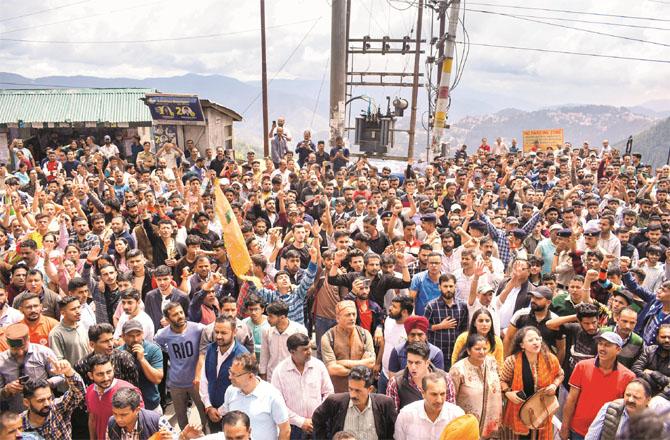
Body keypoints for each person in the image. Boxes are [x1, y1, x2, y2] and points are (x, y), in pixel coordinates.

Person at [560, 331, 636, 440]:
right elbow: (571, 400)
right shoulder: (582, 366)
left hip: (607, 433)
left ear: (618, 350)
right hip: (578, 431)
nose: (602, 348)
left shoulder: (628, 377)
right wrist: (565, 426)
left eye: (607, 345)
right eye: (600, 343)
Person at [500, 326, 564, 440]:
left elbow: (560, 374)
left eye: (537, 339)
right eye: (530, 340)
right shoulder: (512, 361)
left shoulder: (550, 359)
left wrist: (554, 385)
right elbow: (501, 380)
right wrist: (508, 393)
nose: (535, 342)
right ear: (522, 345)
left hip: (542, 411)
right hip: (519, 411)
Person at [154, 302, 207, 431]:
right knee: (182, 420)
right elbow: (157, 342)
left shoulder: (198, 329)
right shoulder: (163, 334)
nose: (180, 316)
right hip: (176, 382)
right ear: (167, 319)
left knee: (205, 415)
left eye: (181, 312)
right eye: (175, 315)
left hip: (197, 381)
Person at [271, 333, 334, 439]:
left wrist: (318, 416)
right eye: (305, 349)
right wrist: (301, 422)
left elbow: (329, 393)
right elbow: (277, 404)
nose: (309, 352)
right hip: (293, 428)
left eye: (309, 347)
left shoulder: (319, 366)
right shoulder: (279, 372)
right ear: (292, 352)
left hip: (318, 425)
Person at [312, 365, 397, 440]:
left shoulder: (385, 404)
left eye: (357, 390)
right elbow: (317, 419)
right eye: (350, 389)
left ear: (370, 389)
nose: (353, 395)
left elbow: (393, 432)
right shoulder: (334, 402)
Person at [222, 353, 291, 440]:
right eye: (230, 372)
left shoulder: (272, 395)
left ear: (250, 376)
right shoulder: (230, 391)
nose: (230, 377)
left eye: (235, 375)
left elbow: (285, 429)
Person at [200, 315, 249, 433]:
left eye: (223, 333)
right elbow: (204, 379)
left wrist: (220, 411)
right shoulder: (211, 349)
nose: (218, 336)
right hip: (211, 412)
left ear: (234, 332)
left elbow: (243, 389)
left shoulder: (242, 356)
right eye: (216, 332)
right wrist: (208, 407)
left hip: (234, 417)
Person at [449, 334, 502, 438]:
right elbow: (451, 398)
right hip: (467, 424)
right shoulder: (458, 370)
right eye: (477, 349)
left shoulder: (492, 362)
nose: (482, 352)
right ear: (469, 351)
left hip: (491, 424)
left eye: (485, 348)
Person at [0, 323, 61, 413]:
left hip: (46, 410)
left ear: (28, 339)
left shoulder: (44, 353)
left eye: (23, 347)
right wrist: (7, 390)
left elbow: (61, 377)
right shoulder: (1, 361)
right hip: (18, 415)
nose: (20, 352)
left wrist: (46, 383)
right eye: (15, 349)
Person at [19, 357, 85, 439]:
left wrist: (69, 372)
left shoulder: (58, 408)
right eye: (40, 400)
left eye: (49, 398)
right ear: (26, 402)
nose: (47, 403)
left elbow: (79, 393)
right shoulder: (17, 425)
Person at [321, 300, 376, 393]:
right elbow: (332, 369)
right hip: (338, 391)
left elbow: (371, 363)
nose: (352, 318)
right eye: (348, 315)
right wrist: (360, 367)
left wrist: (342, 362)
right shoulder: (328, 337)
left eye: (354, 314)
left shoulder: (365, 334)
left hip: (361, 390)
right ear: (338, 318)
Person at [85, 354, 143, 440]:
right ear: (90, 375)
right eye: (100, 374)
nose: (106, 378)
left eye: (109, 372)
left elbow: (140, 421)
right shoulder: (89, 391)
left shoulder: (130, 390)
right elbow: (92, 419)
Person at [393, 372, 466, 440]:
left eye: (442, 394)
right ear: (423, 393)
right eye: (434, 394)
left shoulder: (457, 416)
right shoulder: (406, 415)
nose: (439, 400)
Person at [386, 341, 455, 411]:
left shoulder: (445, 379)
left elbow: (451, 411)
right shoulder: (395, 382)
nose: (413, 367)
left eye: (417, 363)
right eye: (410, 362)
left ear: (427, 363)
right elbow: (392, 417)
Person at [424, 274, 469, 370]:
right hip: (436, 355)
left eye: (451, 286)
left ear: (455, 287)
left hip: (456, 354)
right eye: (445, 286)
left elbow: (464, 331)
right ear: (439, 287)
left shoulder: (463, 306)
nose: (448, 289)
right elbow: (423, 328)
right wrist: (440, 326)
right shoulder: (431, 306)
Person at [118, 319, 164, 412]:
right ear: (123, 336)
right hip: (128, 408)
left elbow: (157, 379)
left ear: (143, 334)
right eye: (131, 336)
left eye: (138, 335)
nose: (135, 339)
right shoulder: (118, 353)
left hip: (151, 405)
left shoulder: (153, 349)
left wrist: (142, 359)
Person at [584, 378, 652, 440]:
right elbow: (591, 436)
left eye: (636, 397)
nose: (630, 400)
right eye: (628, 395)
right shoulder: (610, 408)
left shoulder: (654, 422)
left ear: (648, 400)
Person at [260, 301, 308, 382]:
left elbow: (305, 355)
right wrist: (263, 375)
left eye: (271, 316)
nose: (268, 319)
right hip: (272, 376)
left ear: (282, 317)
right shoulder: (267, 331)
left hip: (293, 377)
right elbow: (264, 354)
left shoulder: (299, 330)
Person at [106, 387, 174, 439]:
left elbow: (175, 437)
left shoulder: (157, 421)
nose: (118, 419)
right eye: (115, 414)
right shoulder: (111, 423)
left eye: (123, 415)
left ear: (137, 410)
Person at [48, 295, 90, 365]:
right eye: (73, 309)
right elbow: (58, 361)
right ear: (63, 313)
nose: (78, 311)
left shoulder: (81, 326)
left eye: (79, 307)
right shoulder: (56, 334)